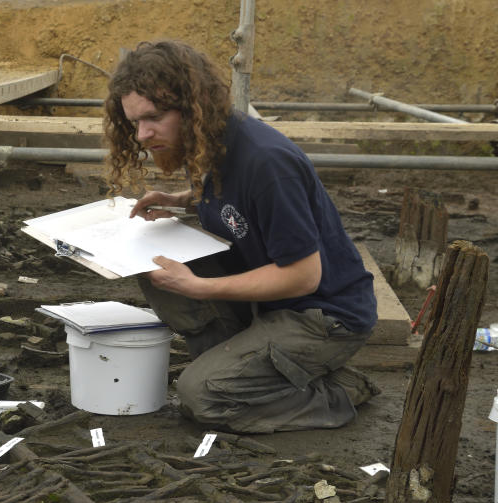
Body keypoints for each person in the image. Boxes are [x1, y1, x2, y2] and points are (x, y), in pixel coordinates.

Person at [103, 40, 379, 433]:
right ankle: (240, 366)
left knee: (202, 397)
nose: (143, 134)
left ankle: (339, 392)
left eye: (155, 117)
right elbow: (238, 207)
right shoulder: (207, 144)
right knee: (152, 259)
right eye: (134, 123)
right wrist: (184, 201)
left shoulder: (266, 163)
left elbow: (303, 277)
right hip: (271, 303)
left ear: (194, 104)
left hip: (323, 317)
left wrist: (199, 288)